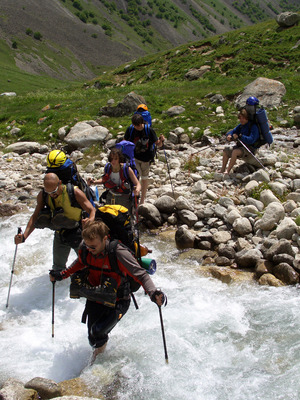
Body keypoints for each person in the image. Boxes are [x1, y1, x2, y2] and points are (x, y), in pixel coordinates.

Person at [49, 220, 166, 360]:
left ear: (105, 239)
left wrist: (153, 293)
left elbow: (140, 274)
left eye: (93, 247)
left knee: (97, 331)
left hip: (118, 301)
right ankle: (102, 357)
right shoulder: (86, 248)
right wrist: (62, 274)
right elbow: (80, 262)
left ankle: (98, 364)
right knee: (92, 338)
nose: (89, 250)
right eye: (87, 246)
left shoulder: (118, 253)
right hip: (96, 297)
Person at [15, 173, 96, 271]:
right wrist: (24, 237)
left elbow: (92, 210)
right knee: (57, 270)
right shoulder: (43, 195)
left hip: (78, 234)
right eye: (48, 192)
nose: (52, 195)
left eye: (54, 191)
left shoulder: (74, 192)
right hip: (60, 234)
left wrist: (90, 220)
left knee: (88, 266)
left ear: (60, 183)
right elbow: (35, 216)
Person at [124, 114, 165, 204]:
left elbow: (158, 144)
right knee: (136, 177)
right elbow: (124, 142)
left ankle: (142, 200)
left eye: (139, 125)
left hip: (147, 159)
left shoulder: (149, 130)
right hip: (134, 157)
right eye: (135, 126)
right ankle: (135, 199)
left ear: (142, 123)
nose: (137, 127)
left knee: (145, 178)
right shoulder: (130, 130)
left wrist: (161, 141)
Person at [220, 108, 259, 174]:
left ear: (247, 118)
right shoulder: (241, 126)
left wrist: (240, 136)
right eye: (240, 118)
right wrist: (229, 135)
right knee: (226, 150)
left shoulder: (253, 127)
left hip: (250, 149)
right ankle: (222, 169)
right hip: (241, 147)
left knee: (235, 152)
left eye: (243, 118)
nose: (241, 120)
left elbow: (251, 140)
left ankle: (228, 171)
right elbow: (232, 131)